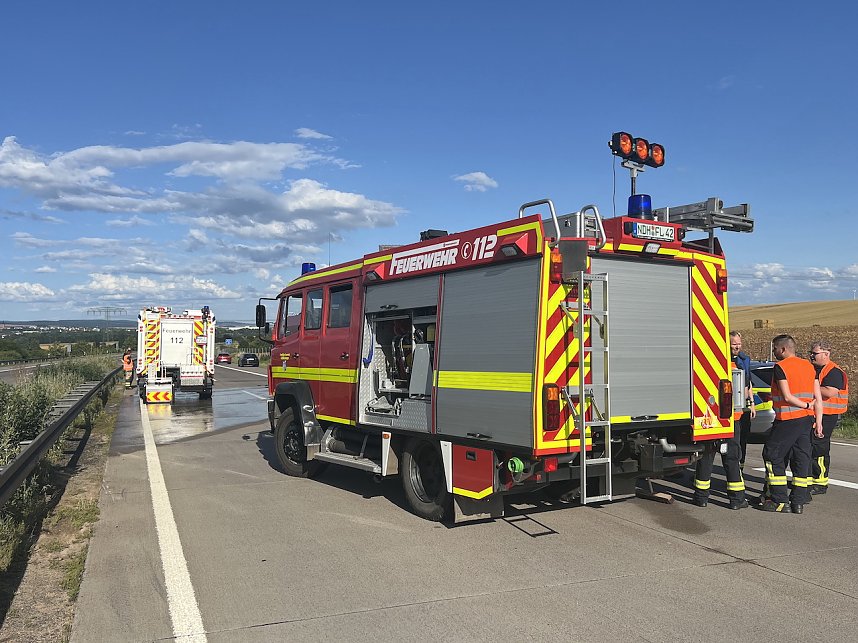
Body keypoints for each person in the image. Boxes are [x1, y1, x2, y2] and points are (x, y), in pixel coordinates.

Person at [759, 334, 822, 513]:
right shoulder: (809, 367)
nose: (774, 352)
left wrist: (805, 404)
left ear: (783, 349)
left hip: (787, 420)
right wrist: (818, 420)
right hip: (806, 420)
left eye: (775, 349)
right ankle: (799, 501)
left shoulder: (781, 367)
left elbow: (787, 396)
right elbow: (818, 396)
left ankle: (779, 500)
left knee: (772, 455)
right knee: (801, 458)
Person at [807, 340, 849, 495]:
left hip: (828, 416)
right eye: (810, 353)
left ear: (826, 354)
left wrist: (808, 387)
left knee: (819, 447)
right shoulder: (814, 369)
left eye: (814, 353)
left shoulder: (833, 372)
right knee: (809, 446)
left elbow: (830, 392)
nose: (811, 356)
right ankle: (808, 479)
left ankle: (820, 482)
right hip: (815, 414)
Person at [729, 331, 757, 467]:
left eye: (739, 344)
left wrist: (752, 403)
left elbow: (748, 382)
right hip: (728, 406)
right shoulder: (722, 358)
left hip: (743, 406)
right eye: (734, 344)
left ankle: (740, 466)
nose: (737, 347)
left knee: (742, 439)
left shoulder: (744, 359)